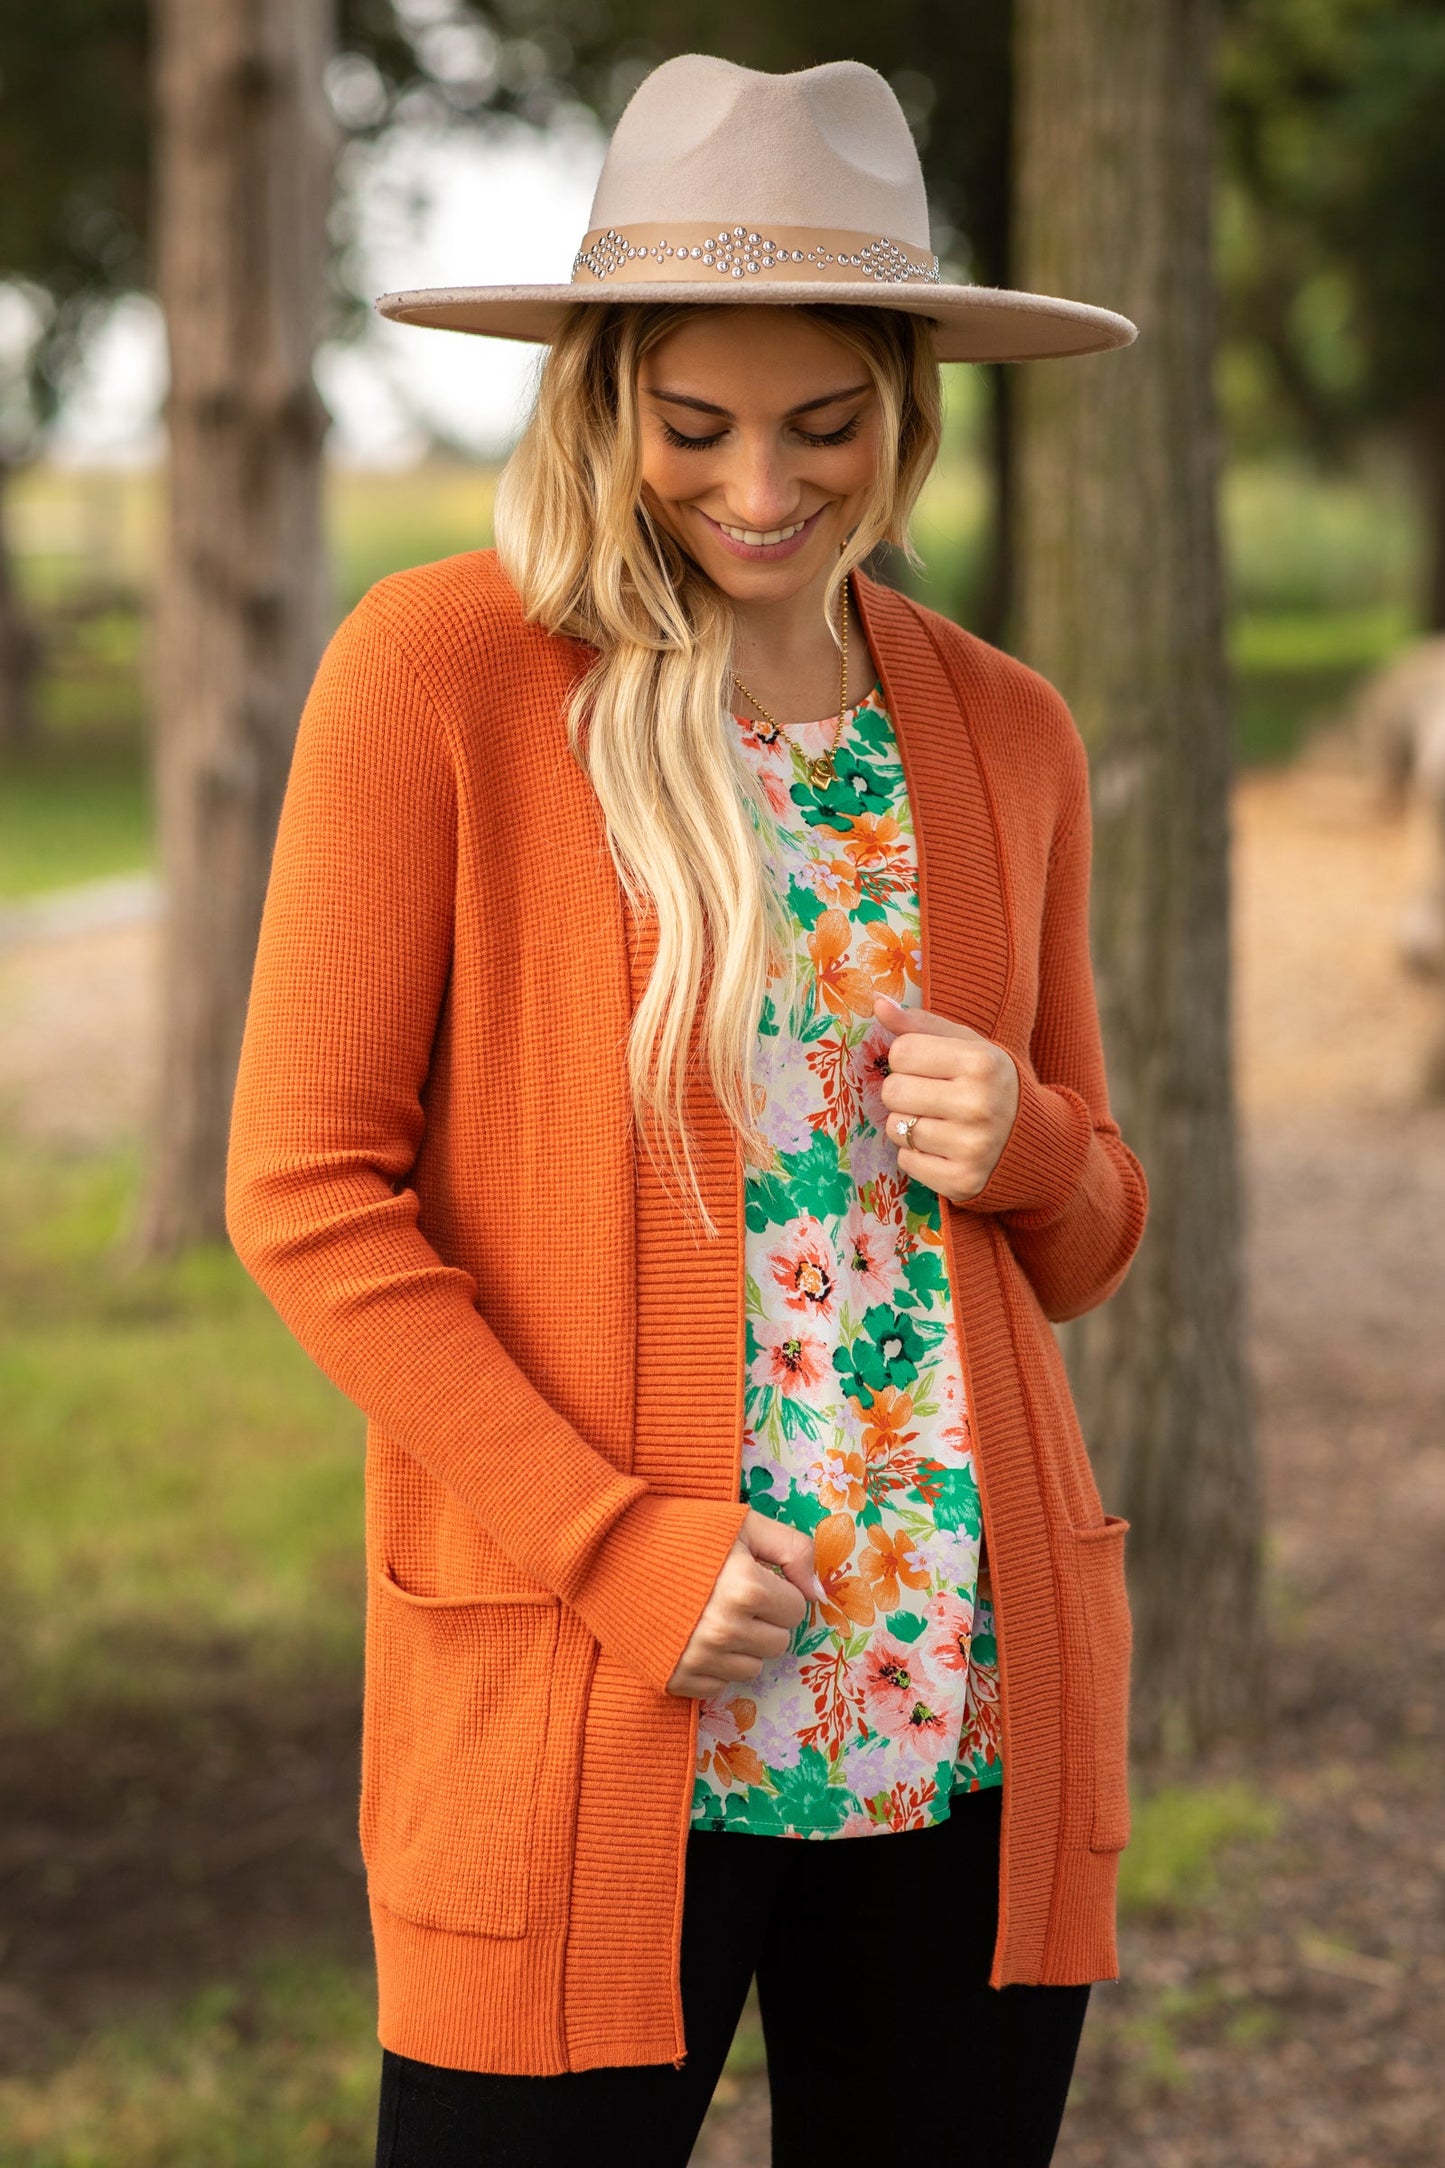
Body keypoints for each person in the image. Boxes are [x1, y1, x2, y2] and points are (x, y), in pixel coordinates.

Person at [225, 52, 1149, 2168]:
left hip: (954, 1707)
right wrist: (611, 1542)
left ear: (906, 408)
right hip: (598, 1683)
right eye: (694, 424)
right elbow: (304, 1195)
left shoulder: (1004, 732)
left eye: (821, 426)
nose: (757, 486)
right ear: (606, 400)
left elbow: (1094, 1240)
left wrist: (1029, 1140)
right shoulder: (444, 675)